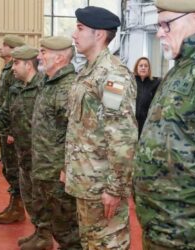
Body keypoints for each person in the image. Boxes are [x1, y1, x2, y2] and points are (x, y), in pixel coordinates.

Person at [133, 0, 195, 249]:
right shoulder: (180, 71)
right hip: (162, 227)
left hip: (189, 233)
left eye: (166, 24)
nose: (159, 32)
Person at [65, 6, 138, 250]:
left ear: (99, 35)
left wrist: (115, 188)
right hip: (86, 182)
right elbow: (80, 127)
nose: (74, 35)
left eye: (80, 28)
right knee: (91, 244)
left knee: (109, 245)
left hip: (101, 185)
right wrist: (70, 169)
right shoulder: (86, 71)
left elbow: (122, 136)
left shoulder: (112, 76)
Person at [0, 45, 44, 244]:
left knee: (44, 200)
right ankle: (40, 233)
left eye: (16, 63)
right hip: (23, 154)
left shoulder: (44, 88)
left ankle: (46, 235)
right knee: (29, 196)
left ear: (28, 65)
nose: (12, 67)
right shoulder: (15, 90)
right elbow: (2, 117)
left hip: (43, 156)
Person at [22, 36, 81, 250]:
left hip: (58, 172)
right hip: (46, 168)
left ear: (59, 58)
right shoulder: (49, 83)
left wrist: (67, 168)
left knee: (68, 230)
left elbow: (74, 133)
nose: (39, 56)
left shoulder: (67, 87)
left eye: (44, 52)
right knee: (58, 225)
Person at [0, 34, 26, 224]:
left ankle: (18, 208)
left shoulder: (15, 72)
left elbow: (17, 102)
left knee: (14, 168)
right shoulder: (7, 69)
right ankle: (14, 203)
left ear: (13, 50)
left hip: (10, 128)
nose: (0, 48)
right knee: (8, 167)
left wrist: (13, 131)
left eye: (4, 45)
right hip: (4, 126)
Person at [133, 57, 161, 138]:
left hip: (146, 123)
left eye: (146, 66)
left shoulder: (155, 83)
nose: (143, 68)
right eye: (140, 65)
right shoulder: (131, 81)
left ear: (149, 69)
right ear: (136, 68)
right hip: (131, 122)